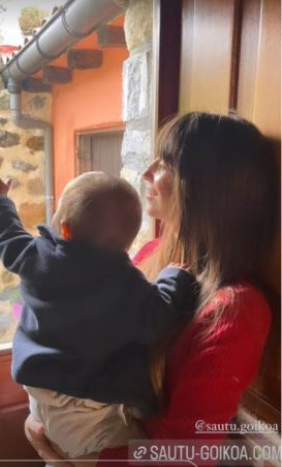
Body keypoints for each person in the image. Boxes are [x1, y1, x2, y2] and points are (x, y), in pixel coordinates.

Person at [23, 112, 278, 466]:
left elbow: (185, 454)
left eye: (166, 162)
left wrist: (67, 457)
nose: (147, 172)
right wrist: (49, 419)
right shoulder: (149, 255)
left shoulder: (236, 312)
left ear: (204, 185)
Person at [0, 167, 199, 460]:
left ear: (66, 228)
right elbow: (159, 315)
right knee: (107, 448)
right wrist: (174, 276)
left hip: (39, 385)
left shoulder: (37, 256)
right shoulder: (124, 281)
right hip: (85, 399)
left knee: (62, 438)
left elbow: (7, 237)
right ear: (128, 241)